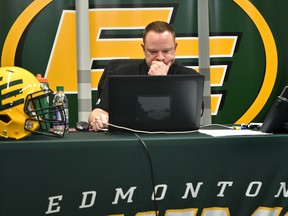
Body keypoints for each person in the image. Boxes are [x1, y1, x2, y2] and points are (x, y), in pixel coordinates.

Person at [88, 21, 200, 131]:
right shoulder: (121, 75)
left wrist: (162, 82)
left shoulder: (189, 78)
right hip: (129, 140)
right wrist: (99, 119)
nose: (160, 57)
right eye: (153, 51)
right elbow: (98, 112)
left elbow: (194, 114)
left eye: (166, 51)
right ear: (143, 49)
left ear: (175, 48)